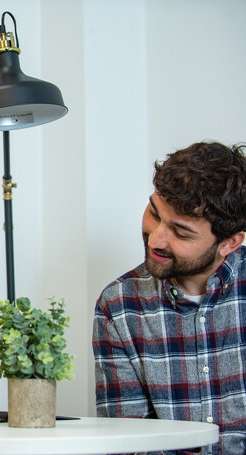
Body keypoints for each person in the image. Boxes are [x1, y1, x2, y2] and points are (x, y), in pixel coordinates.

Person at [92, 141, 246, 455]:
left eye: (181, 232)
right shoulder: (119, 305)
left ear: (229, 243)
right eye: (154, 213)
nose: (157, 238)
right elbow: (127, 442)